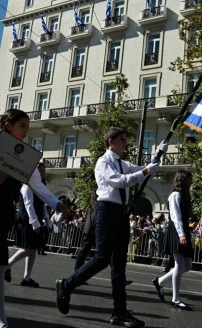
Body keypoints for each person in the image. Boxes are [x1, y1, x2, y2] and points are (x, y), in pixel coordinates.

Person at [0, 109, 69, 328]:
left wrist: (56, 203)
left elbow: (37, 186)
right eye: (22, 125)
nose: (26, 130)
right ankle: (0, 323)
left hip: (6, 211)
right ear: (8, 125)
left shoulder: (27, 157)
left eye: (27, 126)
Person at [55, 127, 163, 328]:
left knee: (119, 263)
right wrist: (146, 171)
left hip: (121, 213)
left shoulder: (122, 163)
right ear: (111, 141)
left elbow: (139, 169)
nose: (125, 142)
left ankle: (119, 311)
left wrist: (156, 157)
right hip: (106, 210)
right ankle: (67, 284)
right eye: (122, 139)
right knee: (102, 258)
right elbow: (120, 182)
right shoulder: (103, 162)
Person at [151, 170, 194, 310]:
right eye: (188, 179)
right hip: (176, 230)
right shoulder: (175, 195)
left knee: (187, 265)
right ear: (182, 180)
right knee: (179, 265)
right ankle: (175, 299)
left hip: (183, 230)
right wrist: (181, 234)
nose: (190, 182)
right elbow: (175, 216)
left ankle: (160, 281)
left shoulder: (185, 195)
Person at [5, 163, 52, 288]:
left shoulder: (41, 185)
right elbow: (28, 205)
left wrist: (47, 220)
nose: (42, 173)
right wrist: (35, 223)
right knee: (29, 248)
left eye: (43, 170)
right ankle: (7, 265)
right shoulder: (27, 185)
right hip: (26, 218)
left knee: (33, 249)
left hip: (34, 218)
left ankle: (26, 277)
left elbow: (42, 205)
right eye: (39, 171)